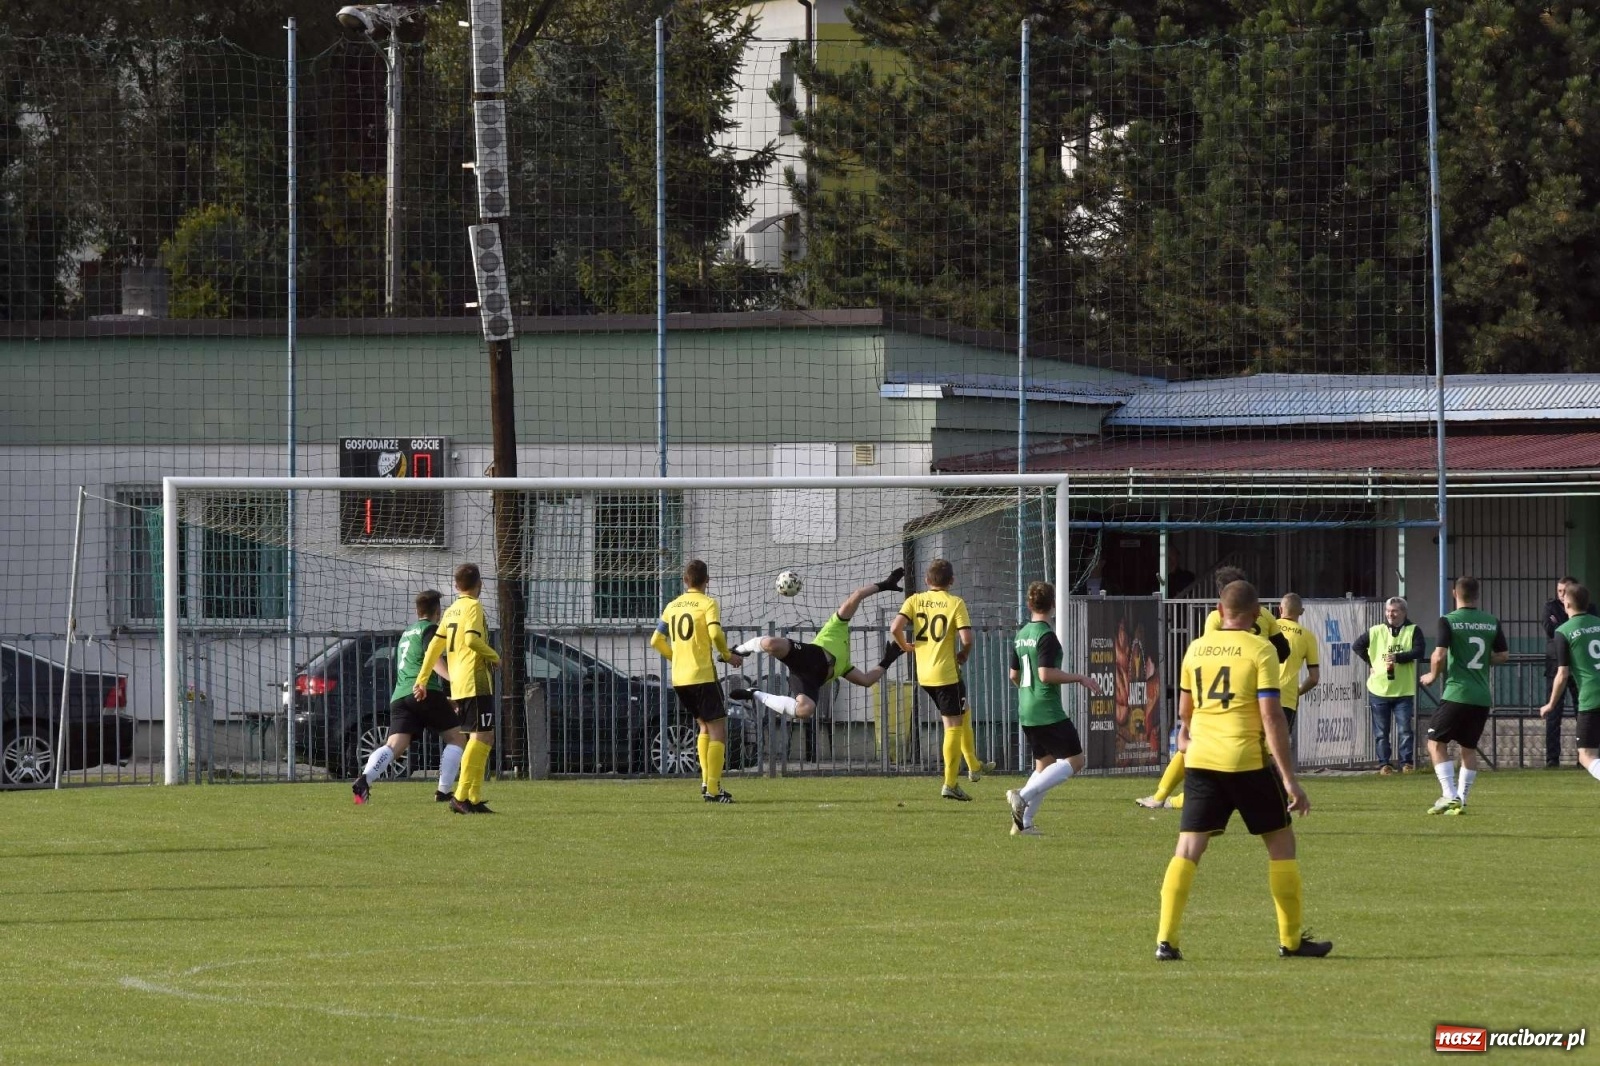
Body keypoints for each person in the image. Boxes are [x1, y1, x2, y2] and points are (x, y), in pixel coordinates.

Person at [1154, 579, 1330, 962]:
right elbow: (1270, 715)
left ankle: (1166, 940)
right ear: (1256, 616)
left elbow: (1185, 713)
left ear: (1219, 611)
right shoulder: (1261, 649)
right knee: (1281, 842)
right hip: (1246, 760)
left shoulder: (1196, 649)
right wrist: (1289, 779)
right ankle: (1291, 941)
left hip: (1201, 761)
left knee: (1188, 847)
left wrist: (1186, 737)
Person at [1137, 565, 1289, 810]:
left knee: (1195, 747)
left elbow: (1210, 654)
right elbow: (1284, 651)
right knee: (1257, 751)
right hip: (1256, 695)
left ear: (1221, 595)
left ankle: (1163, 797)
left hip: (1223, 696)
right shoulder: (1267, 616)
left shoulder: (1216, 618)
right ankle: (1282, 792)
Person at [731, 568, 905, 729]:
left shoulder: (844, 666)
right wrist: (884, 585)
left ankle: (755, 694)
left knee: (805, 710)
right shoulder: (837, 626)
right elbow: (858, 595)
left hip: (808, 681)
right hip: (807, 656)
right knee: (771, 644)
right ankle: (740, 649)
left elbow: (867, 680)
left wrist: (888, 659)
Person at [353, 590, 468, 806]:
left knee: (394, 745)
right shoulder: (431, 629)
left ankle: (364, 779)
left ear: (417, 611)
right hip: (423, 691)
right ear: (438, 612)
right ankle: (444, 791)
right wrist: (453, 679)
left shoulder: (407, 633)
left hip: (400, 696)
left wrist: (442, 698)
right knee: (457, 738)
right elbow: (432, 657)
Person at [1005, 581, 1103, 835]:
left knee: (1044, 766)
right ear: (1053, 605)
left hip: (1027, 709)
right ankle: (1022, 795)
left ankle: (1023, 824)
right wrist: (1080, 677)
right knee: (1076, 760)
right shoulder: (1046, 636)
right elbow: (1046, 674)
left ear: (1029, 605)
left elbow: (1013, 675)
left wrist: (1028, 693)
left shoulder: (1021, 634)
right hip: (1046, 709)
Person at [890, 559, 989, 801]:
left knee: (963, 711)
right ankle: (950, 783)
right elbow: (967, 637)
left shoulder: (914, 600)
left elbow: (895, 627)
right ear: (952, 581)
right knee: (953, 726)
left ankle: (974, 765)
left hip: (924, 675)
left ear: (926, 580)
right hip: (946, 674)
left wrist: (905, 646)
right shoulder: (955, 603)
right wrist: (964, 653)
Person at [650, 560, 743, 803]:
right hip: (702, 676)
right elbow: (714, 633)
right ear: (707, 581)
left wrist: (677, 658)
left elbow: (656, 641)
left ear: (685, 580)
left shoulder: (672, 606)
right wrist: (726, 655)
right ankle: (713, 789)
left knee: (703, 727)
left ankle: (706, 782)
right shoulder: (708, 603)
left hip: (680, 679)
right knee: (718, 732)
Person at [415, 563, 501, 815]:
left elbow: (433, 648)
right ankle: (462, 795)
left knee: (484, 736)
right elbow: (472, 640)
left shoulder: (451, 610)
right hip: (475, 678)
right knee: (481, 736)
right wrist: (494, 656)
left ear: (456, 586)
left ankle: (472, 796)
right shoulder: (473, 607)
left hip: (458, 682)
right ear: (479, 584)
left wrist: (421, 679)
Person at [1419, 576, 1508, 815]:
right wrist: (1478, 660)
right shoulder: (1491, 621)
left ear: (1453, 593)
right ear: (1477, 595)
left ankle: (1449, 795)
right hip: (1481, 697)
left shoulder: (1448, 621)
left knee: (1435, 742)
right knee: (1468, 748)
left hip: (1457, 693)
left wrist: (1432, 675)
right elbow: (1503, 655)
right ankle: (1463, 800)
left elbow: (1438, 655)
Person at [1353, 596, 1425, 774]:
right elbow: (1357, 646)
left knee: (1405, 729)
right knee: (1381, 732)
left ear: (1403, 612)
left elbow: (1419, 651)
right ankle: (1384, 764)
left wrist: (1399, 657)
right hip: (1379, 689)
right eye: (1387, 611)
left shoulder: (1413, 630)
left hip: (1403, 689)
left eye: (1394, 611)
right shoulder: (1376, 630)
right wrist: (1372, 664)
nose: (1390, 614)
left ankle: (1406, 763)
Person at [1540, 583, 1600, 783]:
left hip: (1591, 698)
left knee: (1586, 755)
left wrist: (1551, 703)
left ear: (1566, 604)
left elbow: (1562, 673)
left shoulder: (1564, 631)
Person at [1275, 593, 1320, 744]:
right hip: (1286, 696)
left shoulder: (1268, 629)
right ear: (1301, 612)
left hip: (1260, 692)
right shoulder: (1307, 636)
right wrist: (1298, 691)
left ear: (1280, 609)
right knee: (1278, 746)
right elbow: (1314, 678)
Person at [1543, 576, 1578, 768]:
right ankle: (1552, 759)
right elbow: (1551, 630)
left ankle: (1584, 756)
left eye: (1565, 592)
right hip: (1555, 665)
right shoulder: (1551, 607)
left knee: (1582, 710)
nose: (1562, 596)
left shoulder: (1587, 607)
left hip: (1578, 665)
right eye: (1559, 592)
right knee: (1553, 711)